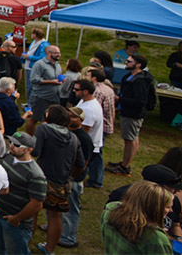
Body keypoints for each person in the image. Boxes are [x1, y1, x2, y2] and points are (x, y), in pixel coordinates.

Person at [32, 105, 86, 255]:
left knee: (33, 211)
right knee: (55, 215)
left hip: (41, 178)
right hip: (60, 182)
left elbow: (35, 150)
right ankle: (50, 250)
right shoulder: (74, 138)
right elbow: (81, 164)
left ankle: (25, 244)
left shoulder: (43, 130)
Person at [0, 132, 47, 255]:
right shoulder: (7, 157)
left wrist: (16, 219)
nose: (11, 146)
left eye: (16, 145)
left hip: (16, 224)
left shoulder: (35, 174)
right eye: (10, 142)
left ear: (29, 150)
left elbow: (37, 204)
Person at [101, 181, 178, 255]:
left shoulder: (110, 211)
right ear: (153, 208)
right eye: (168, 207)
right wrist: (157, 236)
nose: (171, 211)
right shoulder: (155, 238)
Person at [105, 54, 150, 176]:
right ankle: (125, 163)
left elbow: (140, 101)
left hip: (132, 113)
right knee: (133, 138)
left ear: (138, 64)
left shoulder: (139, 81)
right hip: (130, 112)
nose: (126, 62)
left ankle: (125, 166)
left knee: (129, 139)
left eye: (129, 61)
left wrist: (120, 99)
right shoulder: (131, 77)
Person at [57, 107, 94, 249]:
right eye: (68, 115)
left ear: (81, 120)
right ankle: (54, 227)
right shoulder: (66, 132)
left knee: (70, 209)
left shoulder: (84, 138)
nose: (69, 118)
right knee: (56, 204)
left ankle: (68, 238)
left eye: (73, 116)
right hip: (62, 176)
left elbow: (84, 163)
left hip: (73, 179)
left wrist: (71, 175)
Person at [26, 45, 62, 136]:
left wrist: (61, 80)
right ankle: (30, 138)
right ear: (49, 53)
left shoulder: (57, 64)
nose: (59, 55)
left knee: (50, 120)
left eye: (59, 53)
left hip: (54, 97)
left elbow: (56, 77)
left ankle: (44, 137)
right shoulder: (40, 64)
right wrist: (51, 82)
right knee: (35, 118)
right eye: (56, 53)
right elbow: (33, 79)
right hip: (41, 97)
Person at [74, 79, 104, 189]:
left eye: (77, 89)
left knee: (80, 170)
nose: (74, 91)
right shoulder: (85, 102)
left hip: (87, 145)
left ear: (85, 91)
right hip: (93, 143)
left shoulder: (89, 109)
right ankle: (95, 180)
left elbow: (84, 132)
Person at [20, 28, 49, 100]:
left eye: (32, 33)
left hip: (34, 67)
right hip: (28, 66)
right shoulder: (34, 42)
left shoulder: (44, 45)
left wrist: (29, 57)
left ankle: (31, 103)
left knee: (32, 86)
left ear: (35, 35)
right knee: (28, 86)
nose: (31, 35)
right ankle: (29, 101)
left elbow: (42, 57)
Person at [87, 68, 116, 139]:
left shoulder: (97, 91)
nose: (86, 77)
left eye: (88, 76)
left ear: (94, 78)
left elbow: (94, 109)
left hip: (100, 125)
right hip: (107, 122)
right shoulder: (108, 89)